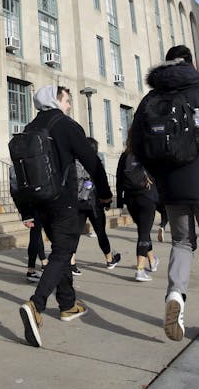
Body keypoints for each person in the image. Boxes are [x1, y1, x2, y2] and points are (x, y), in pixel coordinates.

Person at [130, 46, 199, 346]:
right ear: (191, 64)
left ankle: (175, 293)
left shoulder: (150, 99)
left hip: (172, 187)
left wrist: (158, 174)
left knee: (181, 243)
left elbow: (138, 145)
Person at [18, 85, 112, 348]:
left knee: (60, 249)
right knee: (63, 252)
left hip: (39, 202)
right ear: (56, 101)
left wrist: (26, 209)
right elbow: (92, 161)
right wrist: (104, 193)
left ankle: (68, 304)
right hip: (64, 200)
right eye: (67, 100)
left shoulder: (30, 128)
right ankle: (36, 305)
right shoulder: (66, 125)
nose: (69, 105)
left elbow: (21, 173)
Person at [116, 138, 160, 282]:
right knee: (144, 232)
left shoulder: (124, 156)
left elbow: (118, 178)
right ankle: (140, 270)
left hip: (130, 198)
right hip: (146, 196)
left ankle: (152, 261)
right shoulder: (149, 154)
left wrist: (119, 202)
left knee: (143, 230)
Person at [76, 137, 121, 270]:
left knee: (75, 233)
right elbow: (103, 184)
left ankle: (71, 262)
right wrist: (107, 201)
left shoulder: (75, 162)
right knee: (101, 232)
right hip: (94, 203)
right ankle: (109, 258)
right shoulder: (96, 162)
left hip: (78, 202)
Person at [10, 166, 48, 282]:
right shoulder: (16, 166)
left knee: (37, 235)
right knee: (35, 235)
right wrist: (26, 215)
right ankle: (31, 270)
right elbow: (16, 191)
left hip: (44, 201)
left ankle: (43, 261)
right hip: (33, 205)